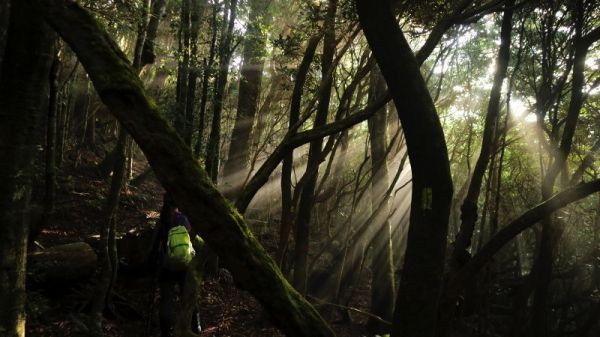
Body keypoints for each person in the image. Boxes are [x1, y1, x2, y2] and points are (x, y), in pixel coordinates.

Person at [155, 194, 202, 337]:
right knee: (188, 297)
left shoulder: (163, 219)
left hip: (167, 266)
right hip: (185, 266)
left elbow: (157, 243)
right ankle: (195, 328)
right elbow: (192, 238)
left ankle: (165, 332)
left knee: (166, 299)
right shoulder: (183, 218)